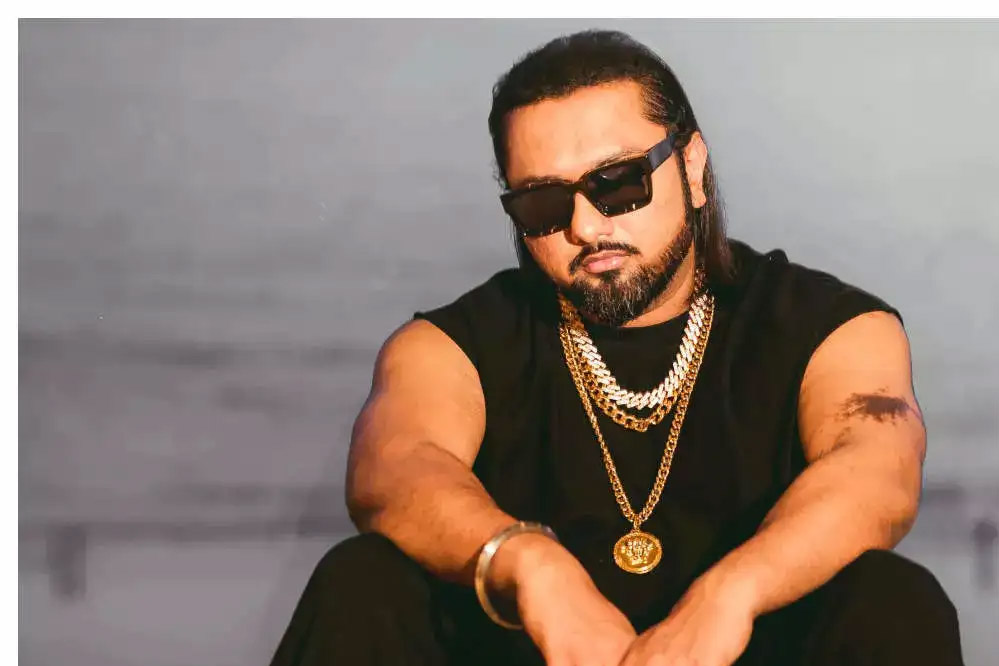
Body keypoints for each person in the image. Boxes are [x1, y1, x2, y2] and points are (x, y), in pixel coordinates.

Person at [270, 30, 963, 666]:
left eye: (618, 183)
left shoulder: (829, 328)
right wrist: (532, 568)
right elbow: (393, 468)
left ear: (692, 167)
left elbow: (875, 474)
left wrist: (730, 597)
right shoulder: (450, 347)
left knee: (892, 599)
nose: (584, 226)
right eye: (543, 203)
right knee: (361, 582)